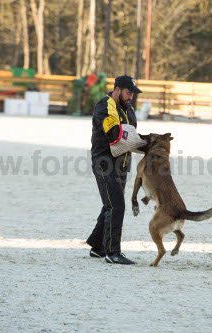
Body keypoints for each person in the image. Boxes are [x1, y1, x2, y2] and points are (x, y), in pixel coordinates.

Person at [86, 75, 142, 265]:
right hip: (104, 163)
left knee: (110, 203)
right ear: (117, 89)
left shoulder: (128, 109)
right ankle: (113, 252)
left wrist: (147, 143)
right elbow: (113, 134)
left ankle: (97, 247)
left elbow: (131, 135)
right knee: (116, 205)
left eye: (133, 94)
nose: (131, 97)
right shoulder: (105, 105)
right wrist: (138, 141)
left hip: (122, 164)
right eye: (128, 92)